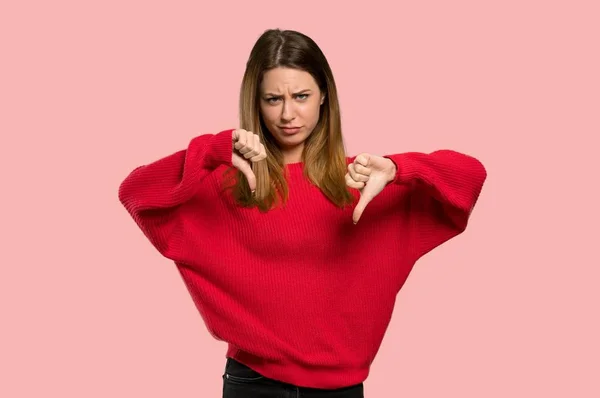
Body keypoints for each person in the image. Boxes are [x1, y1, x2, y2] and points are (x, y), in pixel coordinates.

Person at [118, 28, 487, 398]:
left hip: (341, 389)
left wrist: (399, 168)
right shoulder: (229, 183)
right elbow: (136, 191)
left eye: (301, 96)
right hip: (254, 383)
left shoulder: (363, 181)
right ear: (256, 103)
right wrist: (211, 150)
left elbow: (470, 176)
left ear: (324, 95)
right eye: (273, 98)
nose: (287, 114)